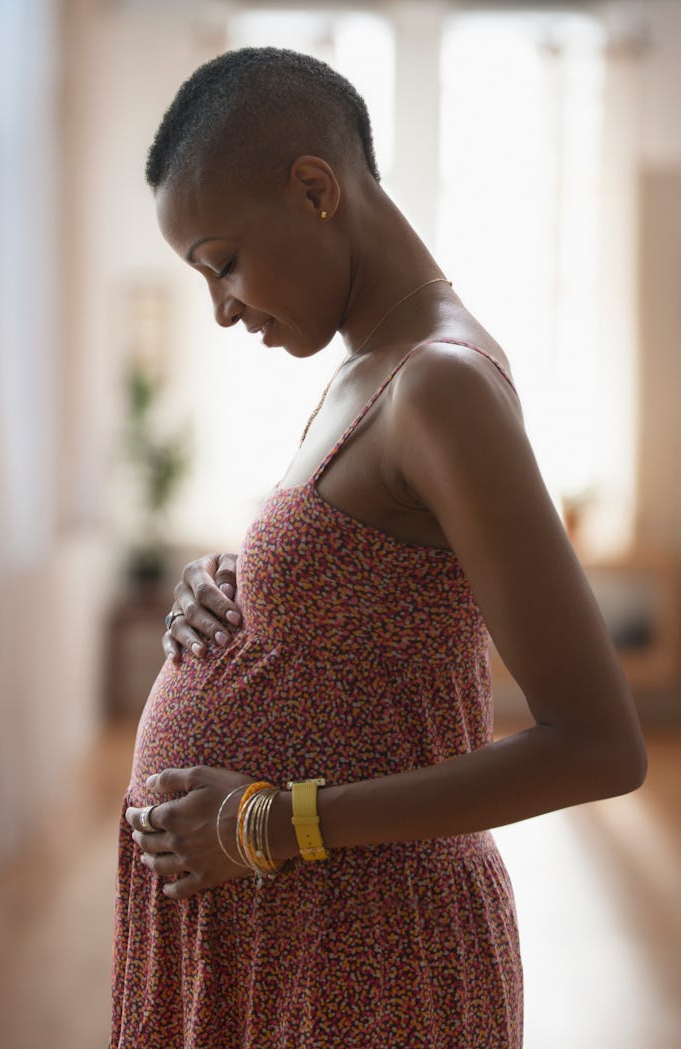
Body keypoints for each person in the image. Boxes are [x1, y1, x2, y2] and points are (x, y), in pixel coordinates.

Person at [115, 47, 647, 1049]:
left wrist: (266, 823)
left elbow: (598, 743)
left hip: (364, 949)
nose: (222, 306)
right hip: (292, 934)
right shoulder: (366, 368)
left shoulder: (439, 382)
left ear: (315, 188)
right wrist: (229, 591)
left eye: (222, 260)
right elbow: (363, 591)